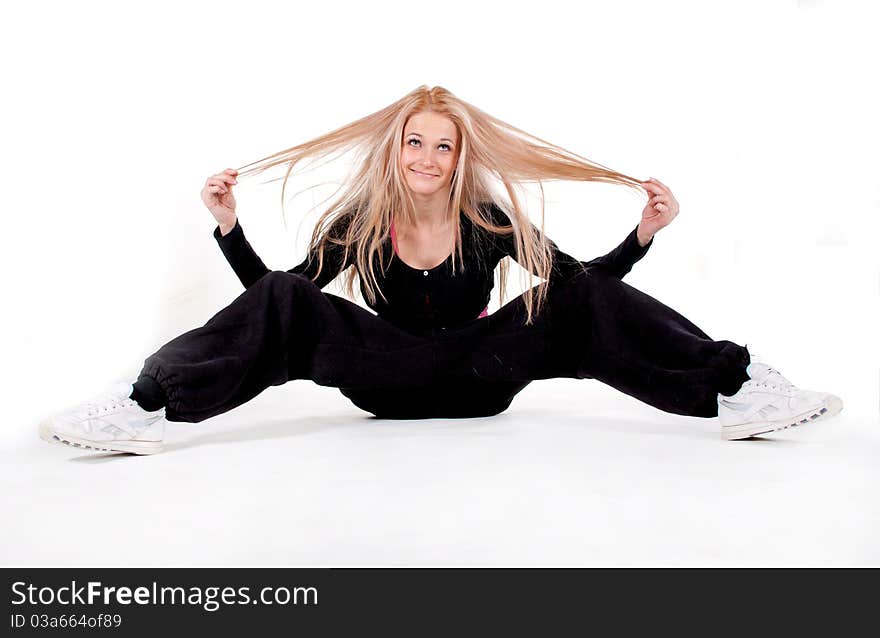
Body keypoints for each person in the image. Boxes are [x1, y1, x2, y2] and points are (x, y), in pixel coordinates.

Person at [38, 85, 843, 455]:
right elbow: (274, 307)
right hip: (383, 376)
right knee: (287, 294)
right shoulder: (357, 225)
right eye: (415, 142)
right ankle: (143, 405)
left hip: (481, 370)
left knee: (571, 291)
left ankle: (735, 389)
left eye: (443, 145)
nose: (428, 157)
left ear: (459, 159)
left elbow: (585, 290)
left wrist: (642, 236)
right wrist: (228, 231)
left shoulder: (489, 223)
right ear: (398, 151)